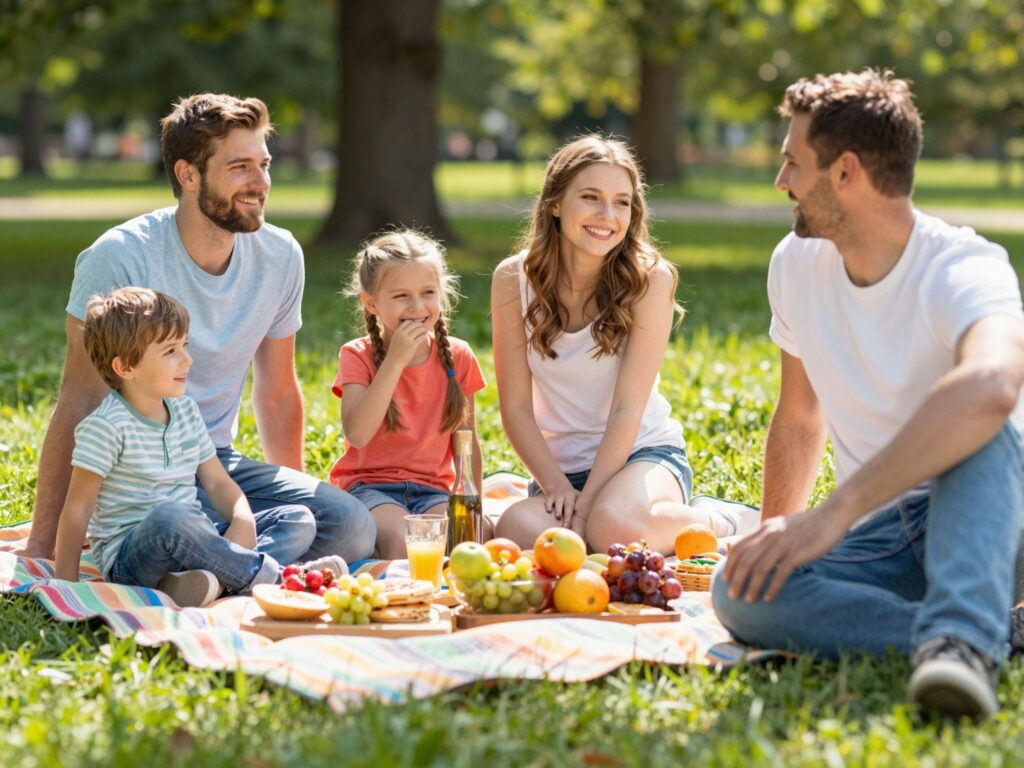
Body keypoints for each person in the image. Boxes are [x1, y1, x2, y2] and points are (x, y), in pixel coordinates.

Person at [712, 70, 1024, 719]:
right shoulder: (794, 265)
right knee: (741, 591)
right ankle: (970, 637)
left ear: (846, 172)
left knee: (983, 426)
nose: (781, 182)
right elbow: (799, 418)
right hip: (891, 538)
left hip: (998, 517)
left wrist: (833, 512)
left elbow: (994, 386)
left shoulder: (964, 267)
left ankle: (963, 639)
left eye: (792, 163)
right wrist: (776, 539)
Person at [14, 93, 375, 564]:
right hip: (133, 473)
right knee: (175, 523)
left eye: (264, 164)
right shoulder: (119, 257)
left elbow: (278, 392)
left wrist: (295, 494)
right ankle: (230, 558)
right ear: (188, 175)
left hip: (212, 461)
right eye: (240, 167)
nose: (260, 182)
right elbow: (78, 400)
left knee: (350, 528)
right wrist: (41, 546)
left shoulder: (281, 256)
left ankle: (221, 563)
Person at [491, 135, 756, 555]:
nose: (607, 215)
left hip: (641, 454)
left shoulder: (651, 280)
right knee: (515, 529)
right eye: (591, 197)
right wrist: (558, 488)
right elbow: (516, 409)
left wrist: (590, 503)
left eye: (622, 202)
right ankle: (606, 516)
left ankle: (725, 519)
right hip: (562, 472)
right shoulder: (513, 279)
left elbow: (627, 409)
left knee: (611, 527)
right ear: (555, 203)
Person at [54, 288, 345, 607]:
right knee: (170, 516)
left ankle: (211, 582)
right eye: (170, 351)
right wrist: (66, 585)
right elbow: (78, 507)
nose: (187, 359)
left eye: (184, 346)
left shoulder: (186, 413)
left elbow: (218, 482)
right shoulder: (105, 427)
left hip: (195, 541)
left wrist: (242, 520)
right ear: (125, 367)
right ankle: (285, 579)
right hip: (133, 561)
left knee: (298, 518)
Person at [329, 230, 486, 558]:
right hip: (370, 490)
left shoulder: (458, 356)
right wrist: (396, 360)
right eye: (401, 296)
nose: (417, 307)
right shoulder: (356, 355)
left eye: (427, 292)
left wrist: (474, 504)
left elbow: (466, 442)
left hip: (433, 491)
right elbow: (357, 434)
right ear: (371, 303)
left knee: (463, 542)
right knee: (411, 545)